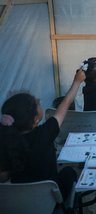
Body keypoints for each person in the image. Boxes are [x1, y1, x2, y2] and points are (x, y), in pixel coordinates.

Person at [0, 68, 85, 201]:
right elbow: (66, 102)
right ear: (35, 119)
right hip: (50, 201)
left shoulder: (4, 141)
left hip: (21, 202)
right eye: (37, 103)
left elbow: (3, 177)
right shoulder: (45, 133)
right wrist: (77, 81)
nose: (39, 102)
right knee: (69, 172)